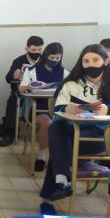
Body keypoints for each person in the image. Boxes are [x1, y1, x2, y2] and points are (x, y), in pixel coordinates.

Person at [39, 44, 110, 215]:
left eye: (95, 60)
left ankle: (53, 191)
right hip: (73, 133)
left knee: (59, 147)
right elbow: (57, 111)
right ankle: (62, 182)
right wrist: (66, 109)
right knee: (57, 129)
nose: (90, 64)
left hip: (102, 139)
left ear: (106, 61)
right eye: (86, 61)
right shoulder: (71, 84)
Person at [19, 43, 68, 172]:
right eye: (52, 58)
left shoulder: (64, 72)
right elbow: (21, 89)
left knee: (68, 122)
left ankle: (65, 157)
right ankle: (41, 157)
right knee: (48, 122)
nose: (55, 60)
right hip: (37, 107)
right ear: (46, 55)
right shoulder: (32, 70)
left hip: (58, 108)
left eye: (58, 58)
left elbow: (71, 88)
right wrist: (32, 86)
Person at [0, 35, 44, 147]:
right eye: (33, 50)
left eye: (39, 50)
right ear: (26, 49)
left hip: (41, 93)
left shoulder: (44, 60)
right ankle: (10, 133)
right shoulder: (19, 61)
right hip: (21, 93)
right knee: (12, 101)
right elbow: (7, 78)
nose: (36, 52)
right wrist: (14, 76)